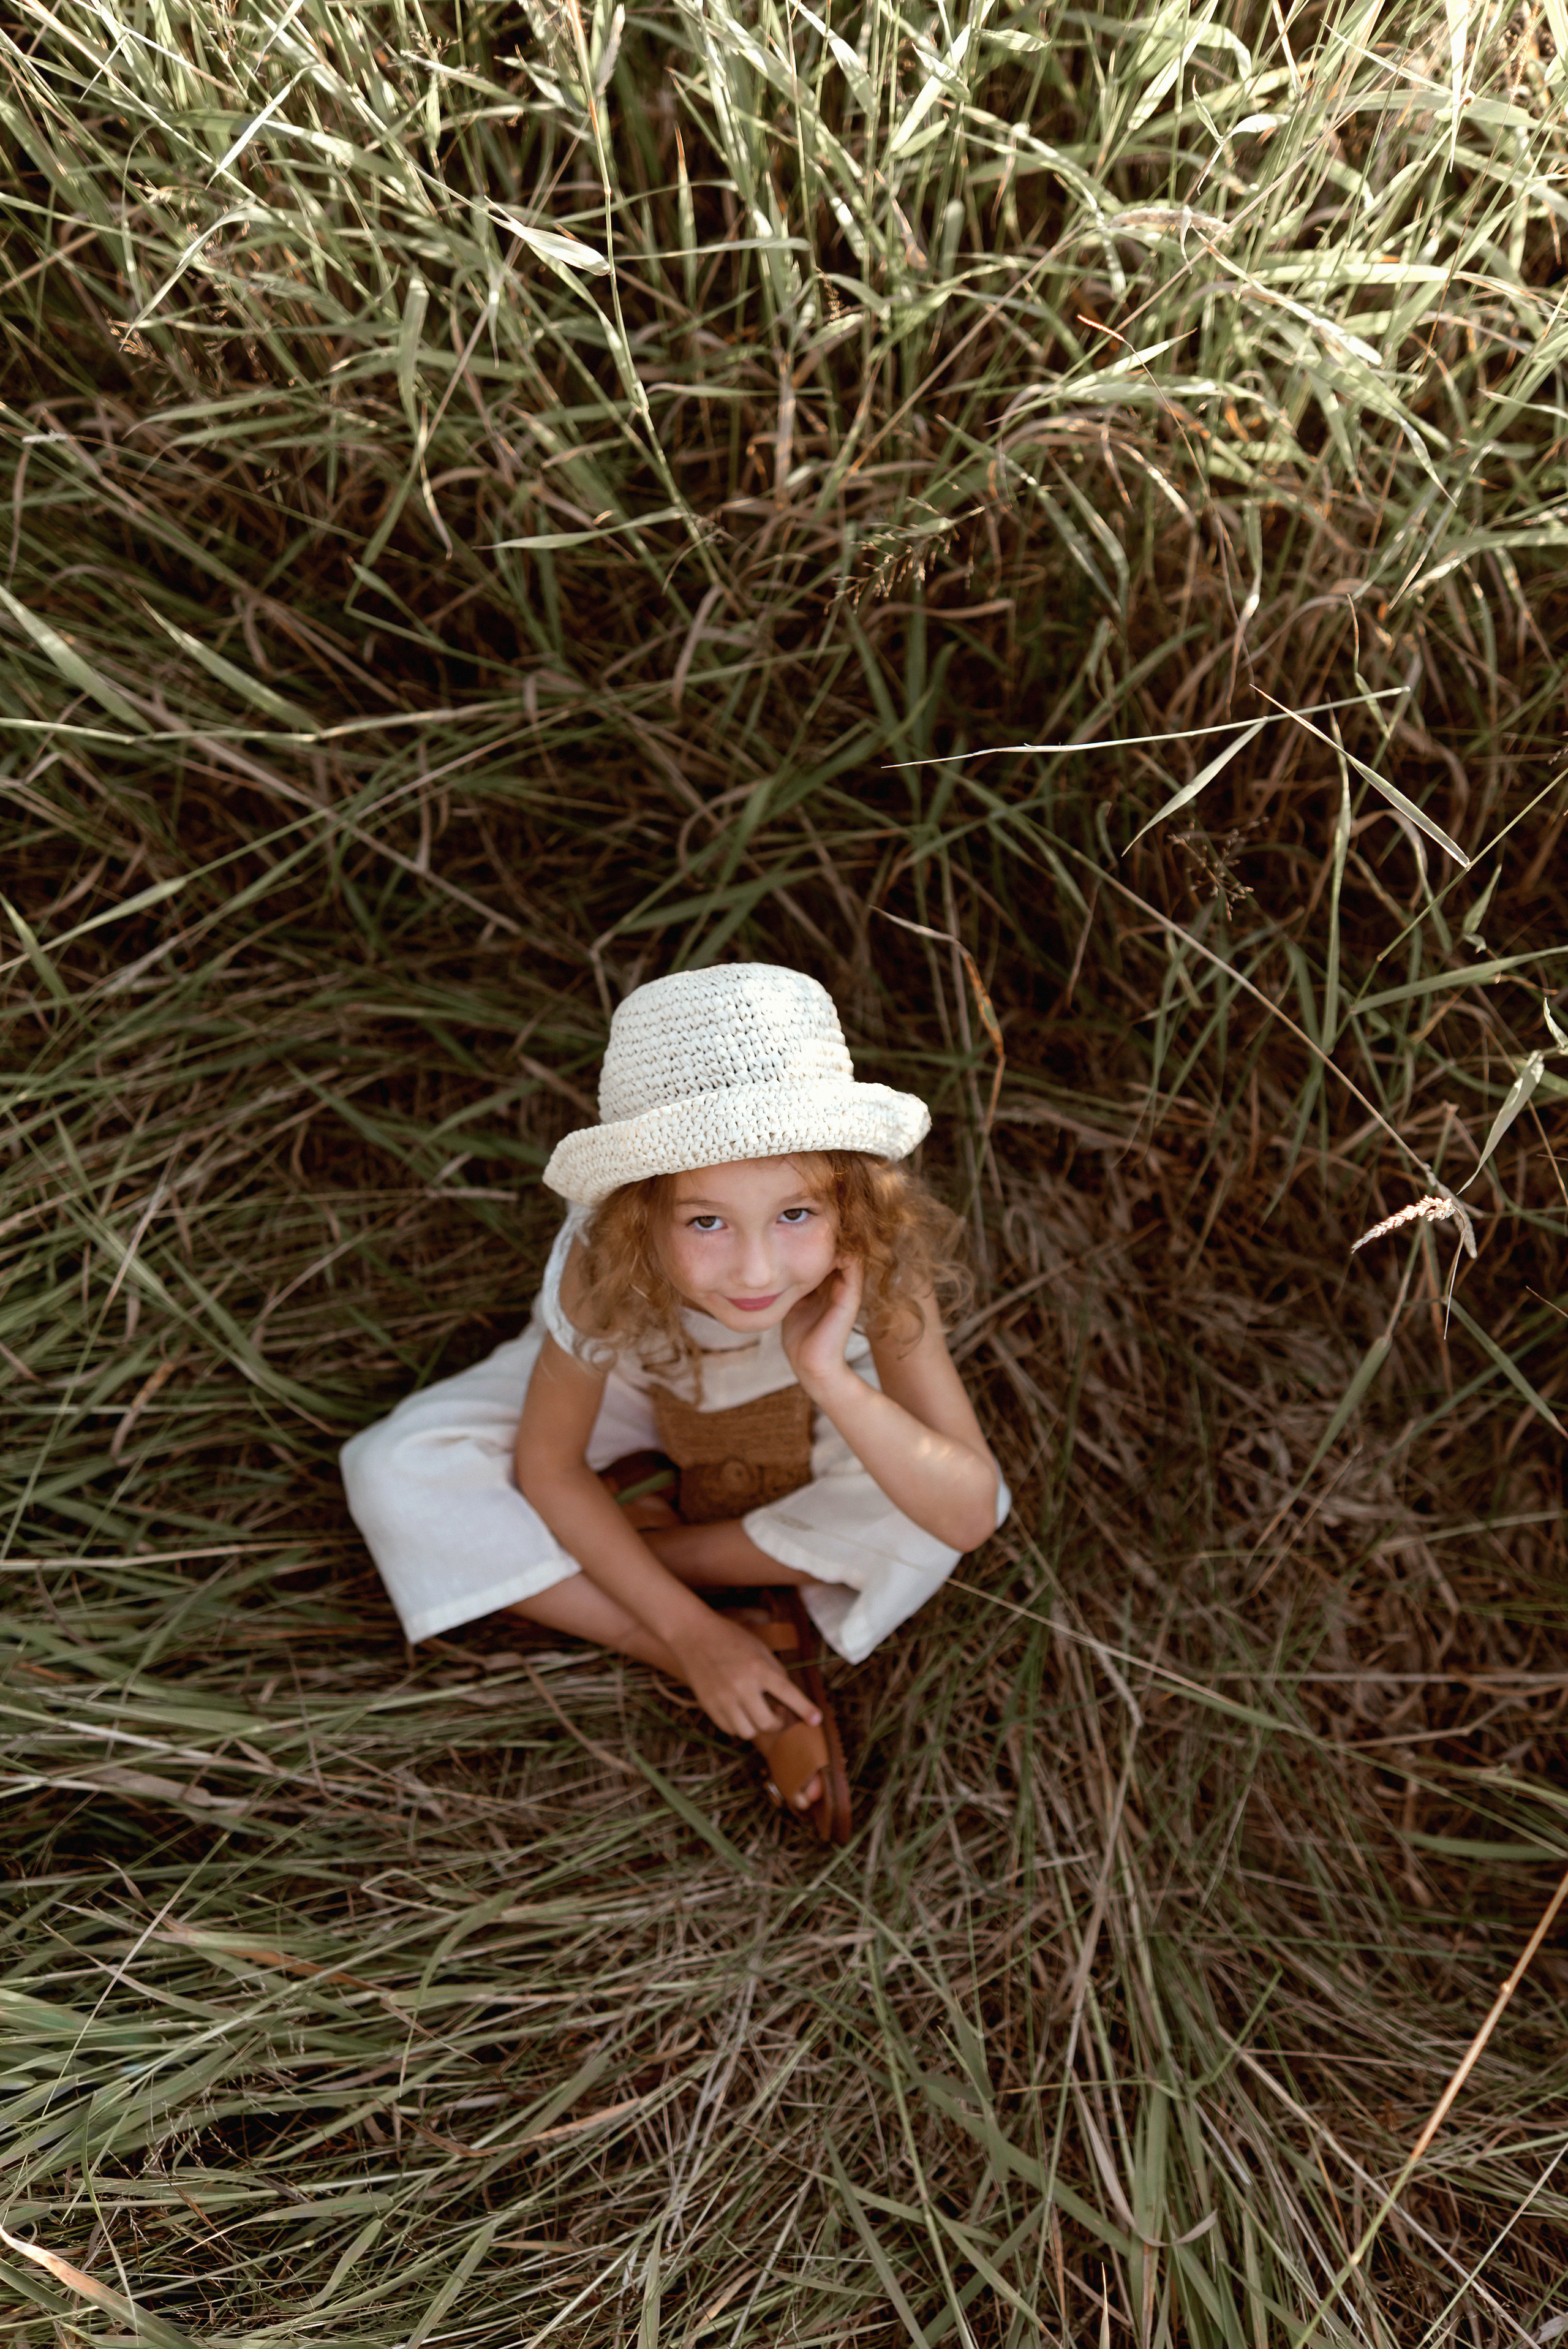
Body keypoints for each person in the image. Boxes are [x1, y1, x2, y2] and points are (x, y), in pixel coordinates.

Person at [341, 963, 1009, 1842]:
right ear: (642, 1218)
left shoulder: (877, 1249)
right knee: (393, 1473)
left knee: (931, 1504)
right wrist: (688, 1637)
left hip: (818, 1412)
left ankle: (647, 1547)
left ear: (846, 1193)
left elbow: (968, 1512)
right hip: (640, 1377)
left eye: (796, 1213)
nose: (757, 1271)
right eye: (706, 1223)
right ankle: (723, 1642)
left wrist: (832, 1376)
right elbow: (548, 1462)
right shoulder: (603, 1264)